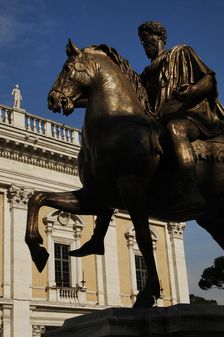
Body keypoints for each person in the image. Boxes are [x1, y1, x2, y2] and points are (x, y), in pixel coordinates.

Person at [138, 21, 224, 212]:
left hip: (192, 116)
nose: (144, 44)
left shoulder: (181, 52)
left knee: (176, 128)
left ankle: (191, 190)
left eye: (146, 39)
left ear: (158, 36)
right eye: (141, 42)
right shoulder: (145, 74)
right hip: (160, 120)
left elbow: (209, 79)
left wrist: (193, 89)